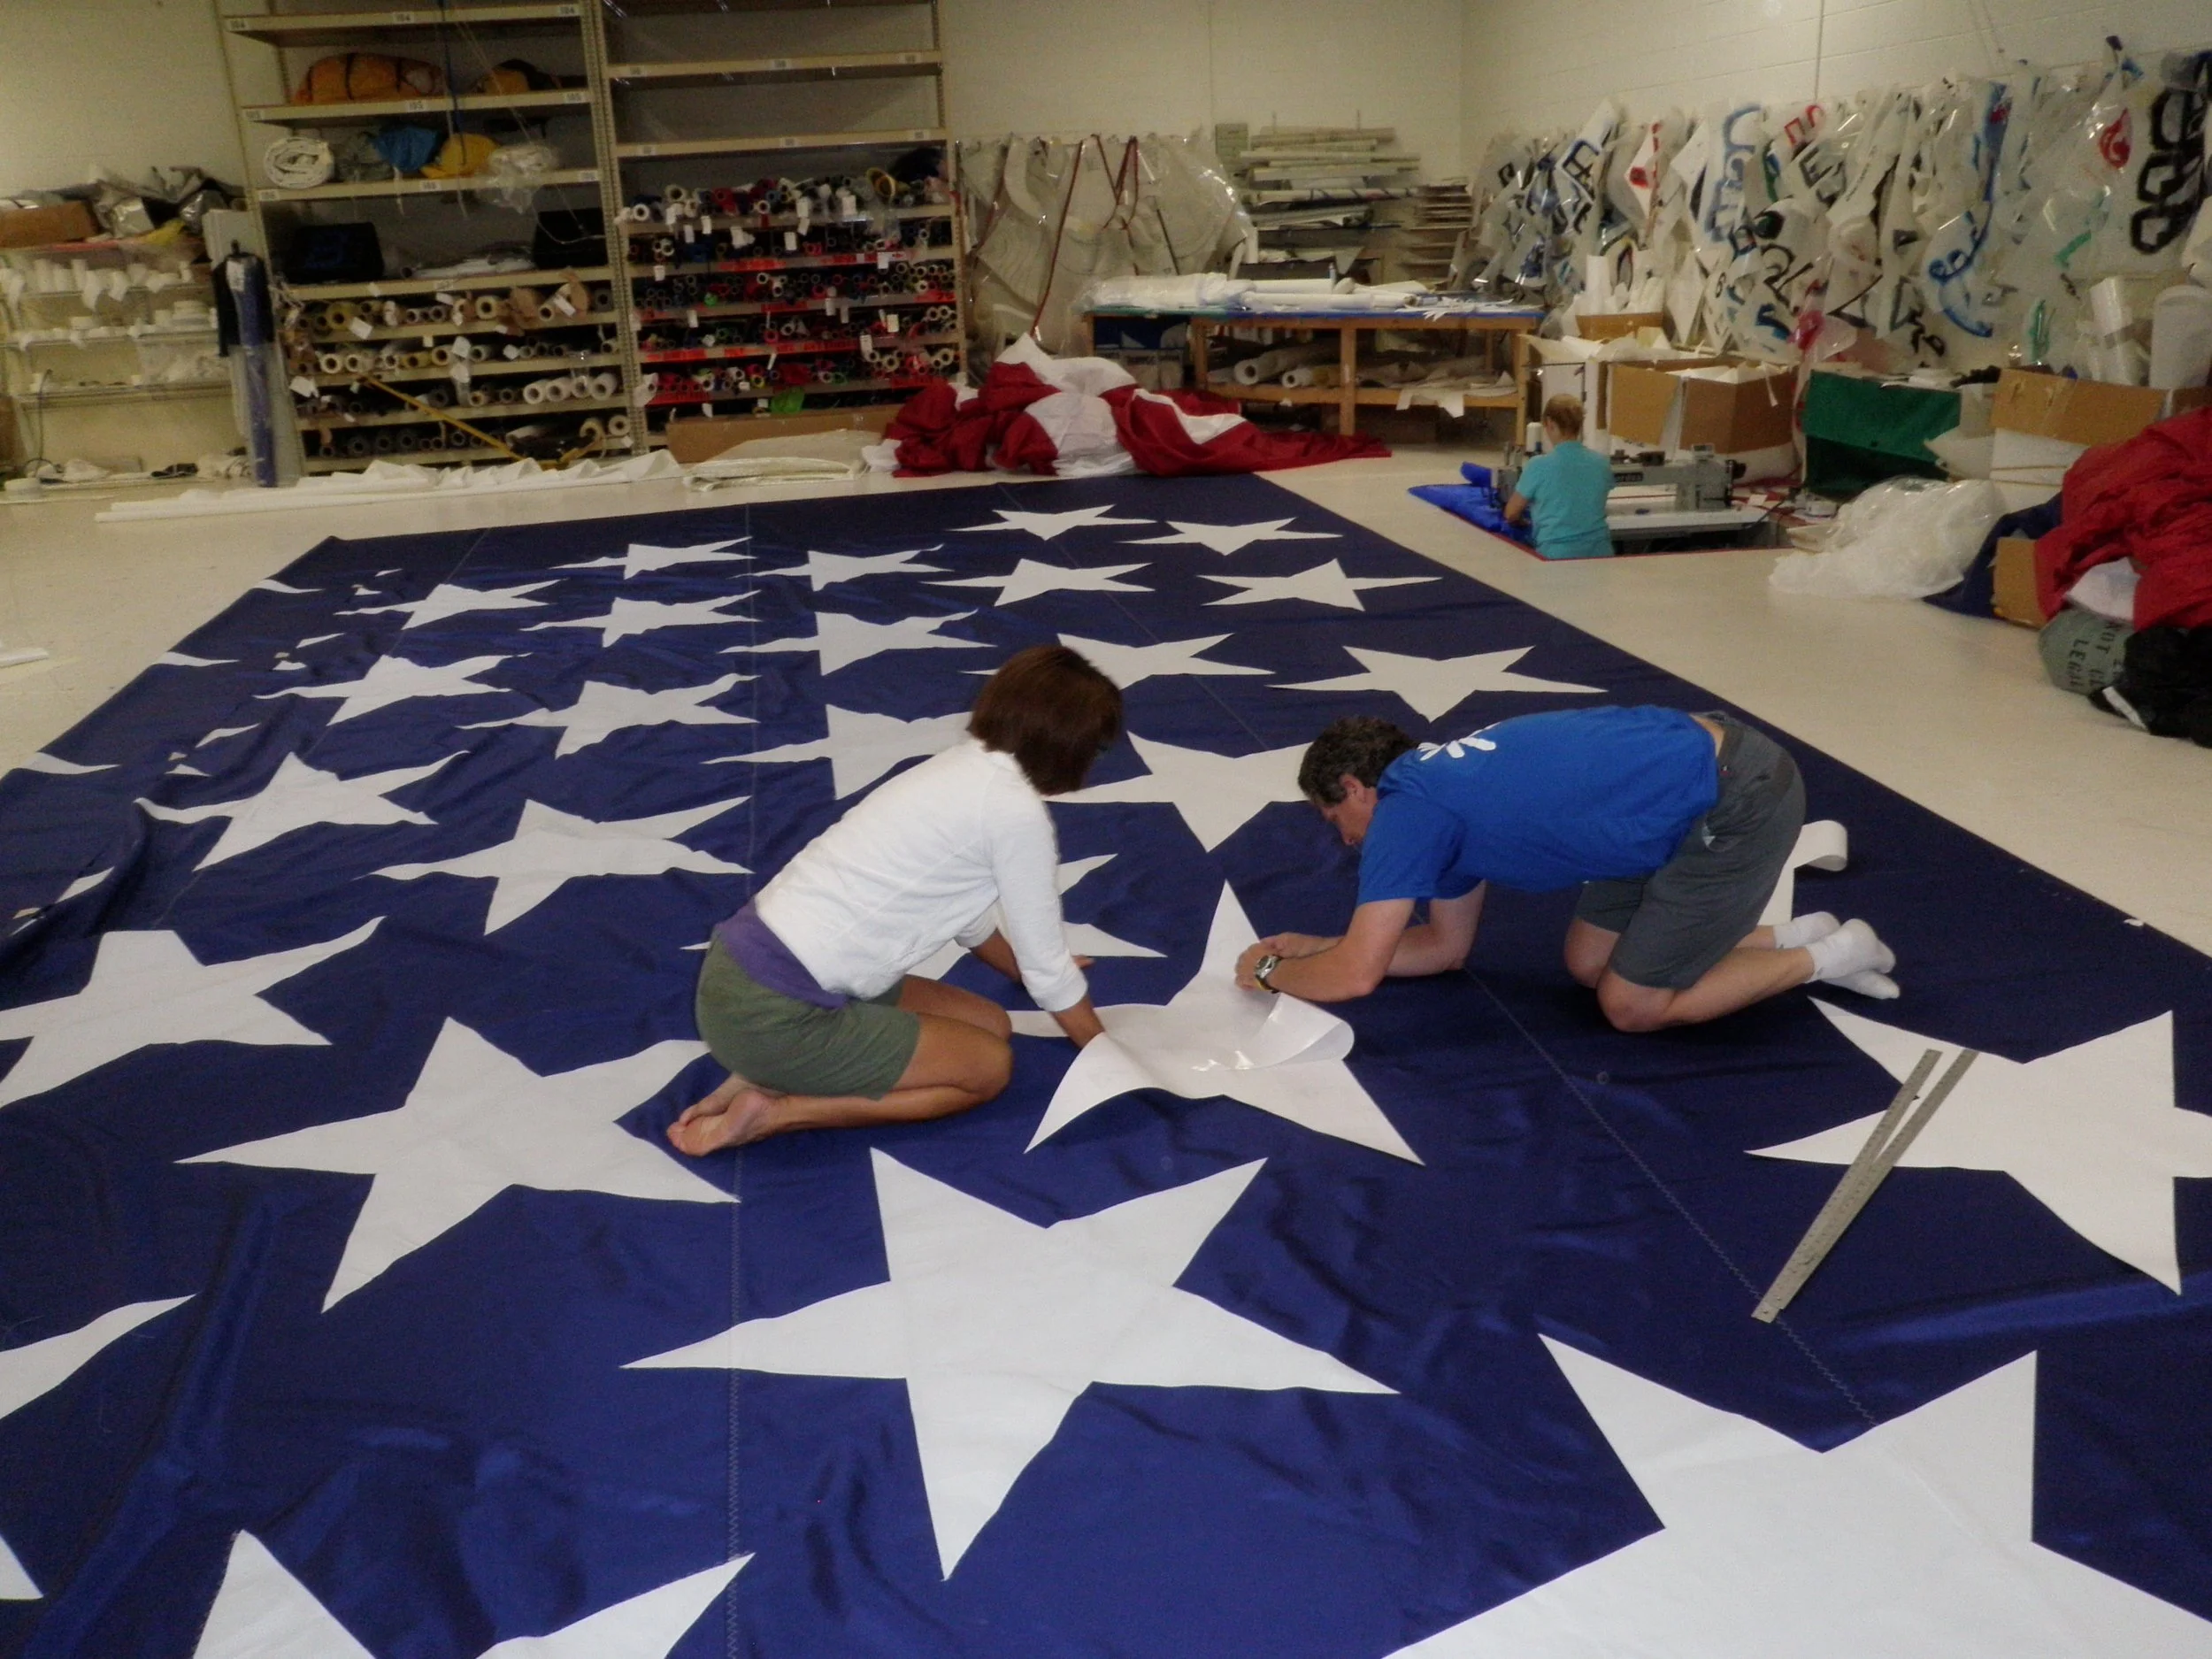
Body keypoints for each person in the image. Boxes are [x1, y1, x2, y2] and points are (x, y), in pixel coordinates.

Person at [670, 644, 1116, 1154]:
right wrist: (1106, 1052)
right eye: (1098, 750)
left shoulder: (957, 769)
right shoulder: (1017, 815)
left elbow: (967, 918)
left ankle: (761, 1072)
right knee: (987, 1070)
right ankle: (780, 1111)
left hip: (739, 979)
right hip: (776, 1014)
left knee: (990, 1024)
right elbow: (1050, 971)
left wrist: (1016, 971)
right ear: (1069, 747)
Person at [1233, 709, 1898, 1032]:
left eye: (1333, 819)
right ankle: (1793, 933)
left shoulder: (1406, 813)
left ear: (1355, 788)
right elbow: (1443, 947)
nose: (1346, 839)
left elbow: (1358, 976)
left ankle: (1837, 952)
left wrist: (1270, 972)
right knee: (1589, 964)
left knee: (1631, 1005)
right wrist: (1319, 945)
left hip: (1737, 796)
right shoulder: (1436, 794)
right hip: (1672, 801)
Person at [1504, 393, 1616, 560]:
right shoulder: (1602, 463)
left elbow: (1511, 513)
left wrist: (1523, 520)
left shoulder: (1538, 465)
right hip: (1601, 553)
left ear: (1549, 423)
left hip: (1557, 556)